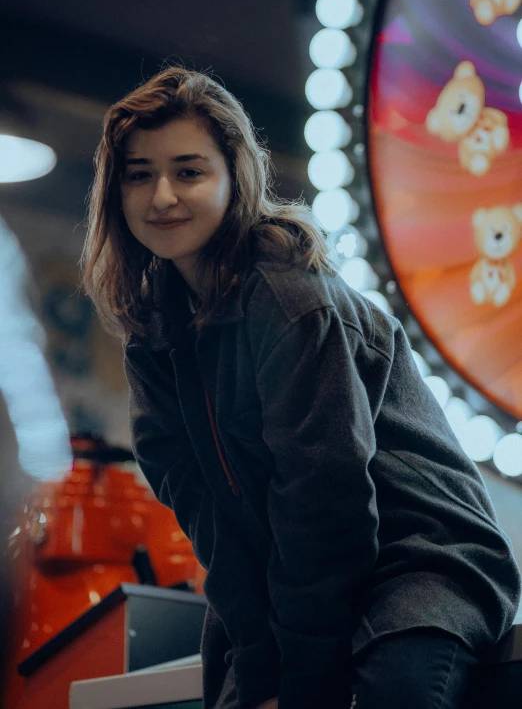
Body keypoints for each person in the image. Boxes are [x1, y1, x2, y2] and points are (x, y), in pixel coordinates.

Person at [82, 66, 521, 709]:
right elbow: (210, 521)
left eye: (189, 170)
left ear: (236, 177)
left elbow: (326, 498)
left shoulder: (289, 299)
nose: (163, 196)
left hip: (418, 558)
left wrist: (303, 684)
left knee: (389, 694)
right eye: (139, 174)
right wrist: (262, 667)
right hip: (285, 576)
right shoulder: (152, 331)